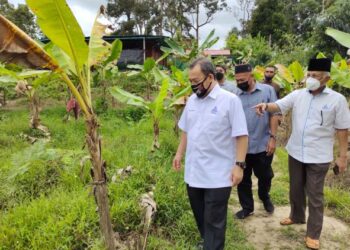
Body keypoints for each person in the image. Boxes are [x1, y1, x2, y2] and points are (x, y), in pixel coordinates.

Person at [254, 58, 350, 250]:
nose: (310, 78)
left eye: (315, 76)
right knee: (295, 188)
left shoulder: (336, 100)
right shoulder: (298, 95)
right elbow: (279, 105)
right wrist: (266, 106)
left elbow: (342, 130)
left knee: (315, 195)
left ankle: (313, 234)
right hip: (296, 151)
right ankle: (296, 216)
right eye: (309, 75)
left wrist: (342, 156)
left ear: (326, 79)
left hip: (319, 155)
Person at [173, 57, 249, 250]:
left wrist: (239, 166)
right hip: (194, 173)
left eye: (196, 81)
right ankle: (208, 242)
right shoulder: (192, 101)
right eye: (190, 81)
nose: (193, 86)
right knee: (201, 217)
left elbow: (241, 136)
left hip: (218, 175)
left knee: (214, 221)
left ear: (210, 77)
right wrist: (179, 154)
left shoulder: (230, 101)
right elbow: (186, 130)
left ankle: (212, 245)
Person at [234, 64, 279, 219]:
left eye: (243, 79)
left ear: (251, 76)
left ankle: (264, 196)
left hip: (263, 143)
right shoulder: (235, 95)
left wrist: (273, 138)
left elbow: (274, 114)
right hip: (242, 147)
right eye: (237, 80)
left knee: (265, 175)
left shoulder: (268, 91)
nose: (240, 83)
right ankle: (247, 208)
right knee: (243, 179)